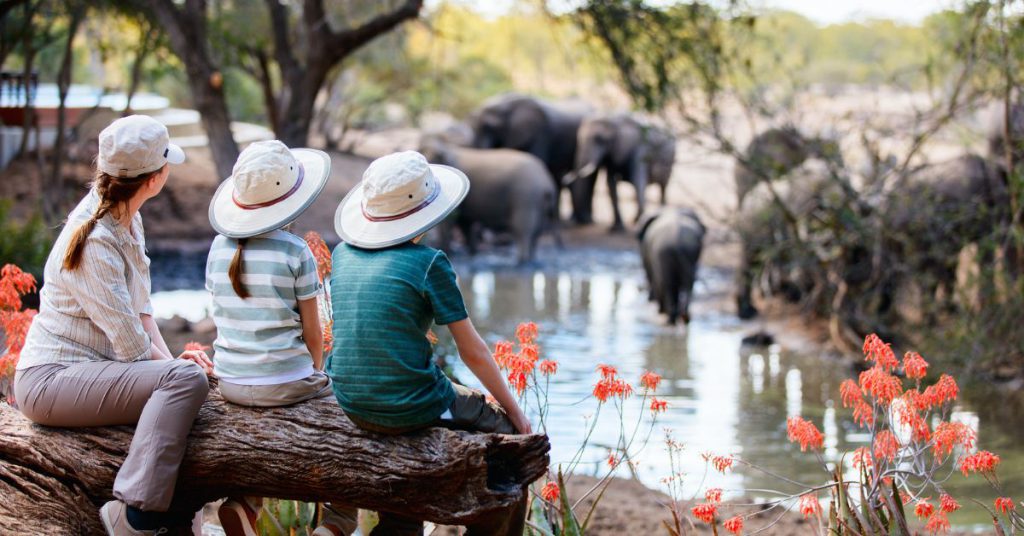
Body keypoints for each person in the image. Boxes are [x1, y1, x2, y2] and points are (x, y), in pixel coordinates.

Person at [13, 115, 214, 535]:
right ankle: (132, 515)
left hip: (93, 373)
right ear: (155, 178)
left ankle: (180, 522)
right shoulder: (95, 240)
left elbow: (141, 313)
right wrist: (175, 371)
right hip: (51, 381)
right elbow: (132, 349)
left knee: (184, 380)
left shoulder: (126, 217)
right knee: (186, 382)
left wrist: (172, 362)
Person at [330, 150, 533, 535]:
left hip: (351, 401)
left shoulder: (343, 254)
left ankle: (399, 525)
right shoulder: (429, 262)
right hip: (409, 405)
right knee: (510, 445)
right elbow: (472, 351)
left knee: (404, 505)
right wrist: (516, 414)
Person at [205, 140, 356, 536]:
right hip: (288, 382)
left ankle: (244, 503)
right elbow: (311, 331)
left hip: (232, 383)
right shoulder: (295, 251)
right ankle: (338, 522)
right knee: (350, 422)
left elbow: (221, 316)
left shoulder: (217, 249)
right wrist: (317, 373)